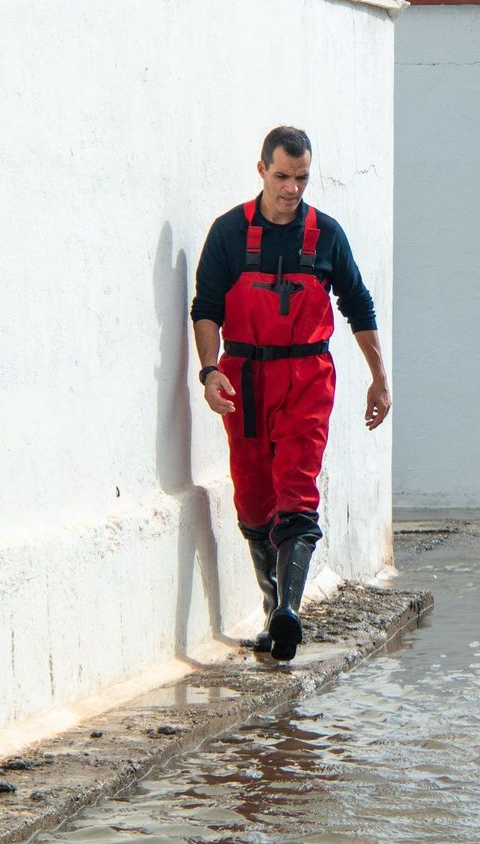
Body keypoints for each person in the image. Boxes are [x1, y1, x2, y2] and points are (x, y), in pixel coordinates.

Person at [191, 126, 391, 662]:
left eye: (301, 178)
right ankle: (272, 607)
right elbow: (206, 308)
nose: (292, 188)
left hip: (307, 376)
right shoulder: (229, 234)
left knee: (296, 491)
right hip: (245, 378)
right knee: (254, 500)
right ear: (262, 170)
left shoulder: (326, 235)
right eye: (282, 176)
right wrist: (209, 371)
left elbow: (359, 304)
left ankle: (290, 612)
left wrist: (379, 375)